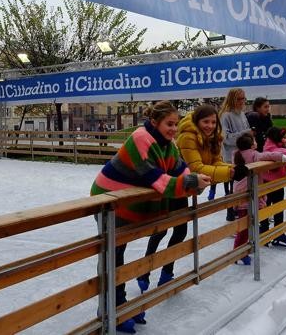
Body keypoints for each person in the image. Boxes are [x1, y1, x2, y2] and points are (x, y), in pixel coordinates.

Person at [90, 101, 210, 333]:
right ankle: (107, 308)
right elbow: (156, 179)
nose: (174, 129)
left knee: (119, 251)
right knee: (113, 254)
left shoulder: (167, 144)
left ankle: (120, 303)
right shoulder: (140, 139)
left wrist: (195, 179)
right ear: (155, 122)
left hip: (126, 201)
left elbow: (179, 169)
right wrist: (191, 182)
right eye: (169, 124)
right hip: (108, 199)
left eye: (176, 124)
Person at [137, 105, 235, 293]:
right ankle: (144, 271)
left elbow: (214, 162)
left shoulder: (212, 138)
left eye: (213, 122)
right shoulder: (188, 136)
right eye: (206, 122)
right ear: (197, 122)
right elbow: (196, 167)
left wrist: (230, 168)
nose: (210, 126)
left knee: (180, 231)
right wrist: (229, 173)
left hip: (183, 188)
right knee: (160, 231)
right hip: (169, 186)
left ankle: (167, 271)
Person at [231, 133, 284, 265]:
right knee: (246, 226)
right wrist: (284, 157)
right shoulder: (254, 155)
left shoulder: (237, 154)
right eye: (254, 140)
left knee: (246, 225)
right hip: (249, 192)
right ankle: (238, 252)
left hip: (239, 191)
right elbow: (269, 155)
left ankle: (243, 250)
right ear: (251, 144)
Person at [219, 87, 251, 221]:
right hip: (230, 157)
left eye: (243, 98)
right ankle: (230, 214)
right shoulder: (225, 116)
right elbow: (226, 138)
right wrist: (245, 134)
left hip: (243, 156)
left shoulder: (242, 114)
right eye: (239, 99)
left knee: (242, 187)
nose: (242, 101)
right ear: (232, 99)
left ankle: (241, 211)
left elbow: (247, 131)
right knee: (231, 187)